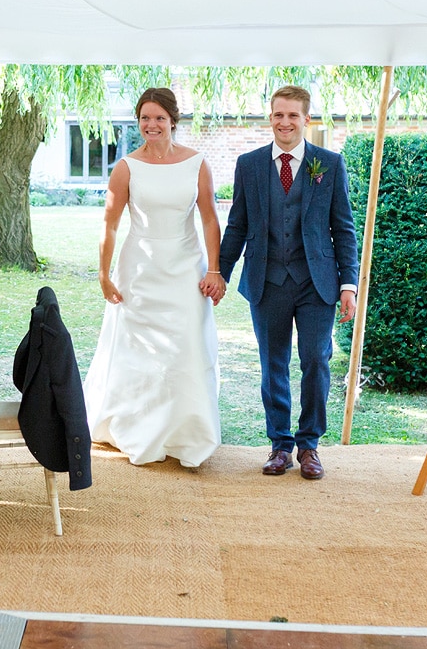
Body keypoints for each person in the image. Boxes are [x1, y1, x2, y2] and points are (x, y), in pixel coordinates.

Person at [219, 85, 359, 480]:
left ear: (306, 120)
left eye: (293, 115)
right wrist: (221, 273)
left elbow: (344, 229)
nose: (285, 122)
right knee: (273, 364)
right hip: (267, 280)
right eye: (279, 115)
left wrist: (348, 284)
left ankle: (309, 444)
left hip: (317, 282)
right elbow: (238, 225)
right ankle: (280, 445)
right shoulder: (249, 165)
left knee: (316, 360)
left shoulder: (329, 163)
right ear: (271, 118)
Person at [83, 88, 224, 468]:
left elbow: (210, 218)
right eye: (145, 118)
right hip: (139, 271)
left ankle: (187, 434)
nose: (151, 125)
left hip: (184, 269)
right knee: (138, 352)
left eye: (159, 118)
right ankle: (138, 428)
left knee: (185, 347)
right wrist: (104, 272)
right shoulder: (127, 166)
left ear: (172, 121)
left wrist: (214, 268)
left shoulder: (197, 164)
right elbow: (110, 225)